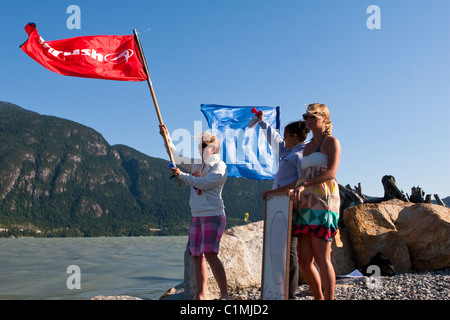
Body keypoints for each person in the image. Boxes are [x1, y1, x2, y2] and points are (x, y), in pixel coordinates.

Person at [160, 124, 229, 300]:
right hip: (196, 214)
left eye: (204, 145)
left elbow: (206, 183)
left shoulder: (219, 166)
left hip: (213, 214)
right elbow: (175, 155)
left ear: (213, 148)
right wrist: (165, 136)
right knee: (197, 256)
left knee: (211, 254)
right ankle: (200, 295)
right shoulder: (197, 164)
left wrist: (182, 176)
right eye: (200, 146)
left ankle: (224, 294)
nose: (201, 149)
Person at [257, 112, 310, 299]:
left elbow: (300, 181)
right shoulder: (288, 150)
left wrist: (274, 192)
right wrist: (262, 122)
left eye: (287, 135)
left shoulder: (301, 153)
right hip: (278, 204)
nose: (284, 138)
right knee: (280, 248)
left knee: (290, 250)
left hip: (291, 205)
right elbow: (275, 139)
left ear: (295, 137)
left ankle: (289, 292)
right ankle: (276, 286)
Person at [291, 103, 341, 300]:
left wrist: (304, 185)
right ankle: (318, 298)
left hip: (323, 201)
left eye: (313, 115)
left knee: (322, 257)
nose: (308, 119)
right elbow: (302, 175)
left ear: (325, 119)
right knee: (304, 260)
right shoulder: (307, 147)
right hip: (304, 203)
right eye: (306, 116)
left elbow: (331, 173)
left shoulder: (331, 142)